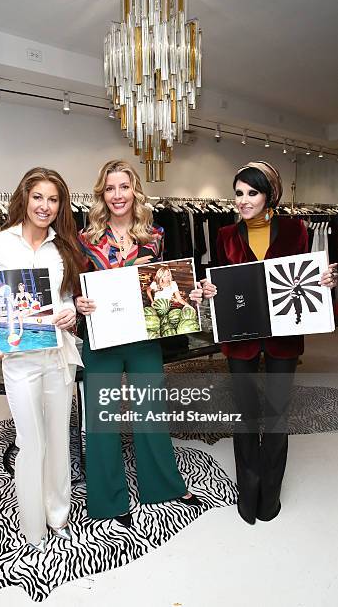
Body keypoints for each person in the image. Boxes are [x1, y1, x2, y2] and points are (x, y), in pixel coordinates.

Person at [202, 160, 337, 525]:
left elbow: (306, 275)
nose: (243, 201)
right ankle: (249, 494)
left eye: (252, 193)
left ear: (269, 195)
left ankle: (270, 497)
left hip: (284, 336)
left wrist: (325, 280)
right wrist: (209, 288)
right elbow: (220, 278)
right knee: (245, 416)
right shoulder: (226, 234)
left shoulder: (296, 230)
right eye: (239, 193)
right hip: (240, 338)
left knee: (277, 415)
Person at [75, 159, 203, 528]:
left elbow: (165, 284)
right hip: (100, 338)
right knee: (102, 418)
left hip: (145, 336)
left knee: (151, 412)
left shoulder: (155, 236)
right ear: (102, 193)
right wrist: (78, 303)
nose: (118, 195)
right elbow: (72, 288)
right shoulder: (85, 240)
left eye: (124, 187)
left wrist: (185, 293)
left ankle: (162, 485)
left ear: (135, 192)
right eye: (111, 188)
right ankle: (107, 499)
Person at [0, 167, 84, 550]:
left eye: (53, 199)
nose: (45, 206)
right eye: (38, 197)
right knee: (31, 439)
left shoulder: (65, 247)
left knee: (58, 436)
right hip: (19, 359)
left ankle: (58, 514)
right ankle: (33, 524)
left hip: (58, 355)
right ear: (24, 197)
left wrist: (72, 312)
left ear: (61, 205)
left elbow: (69, 299)